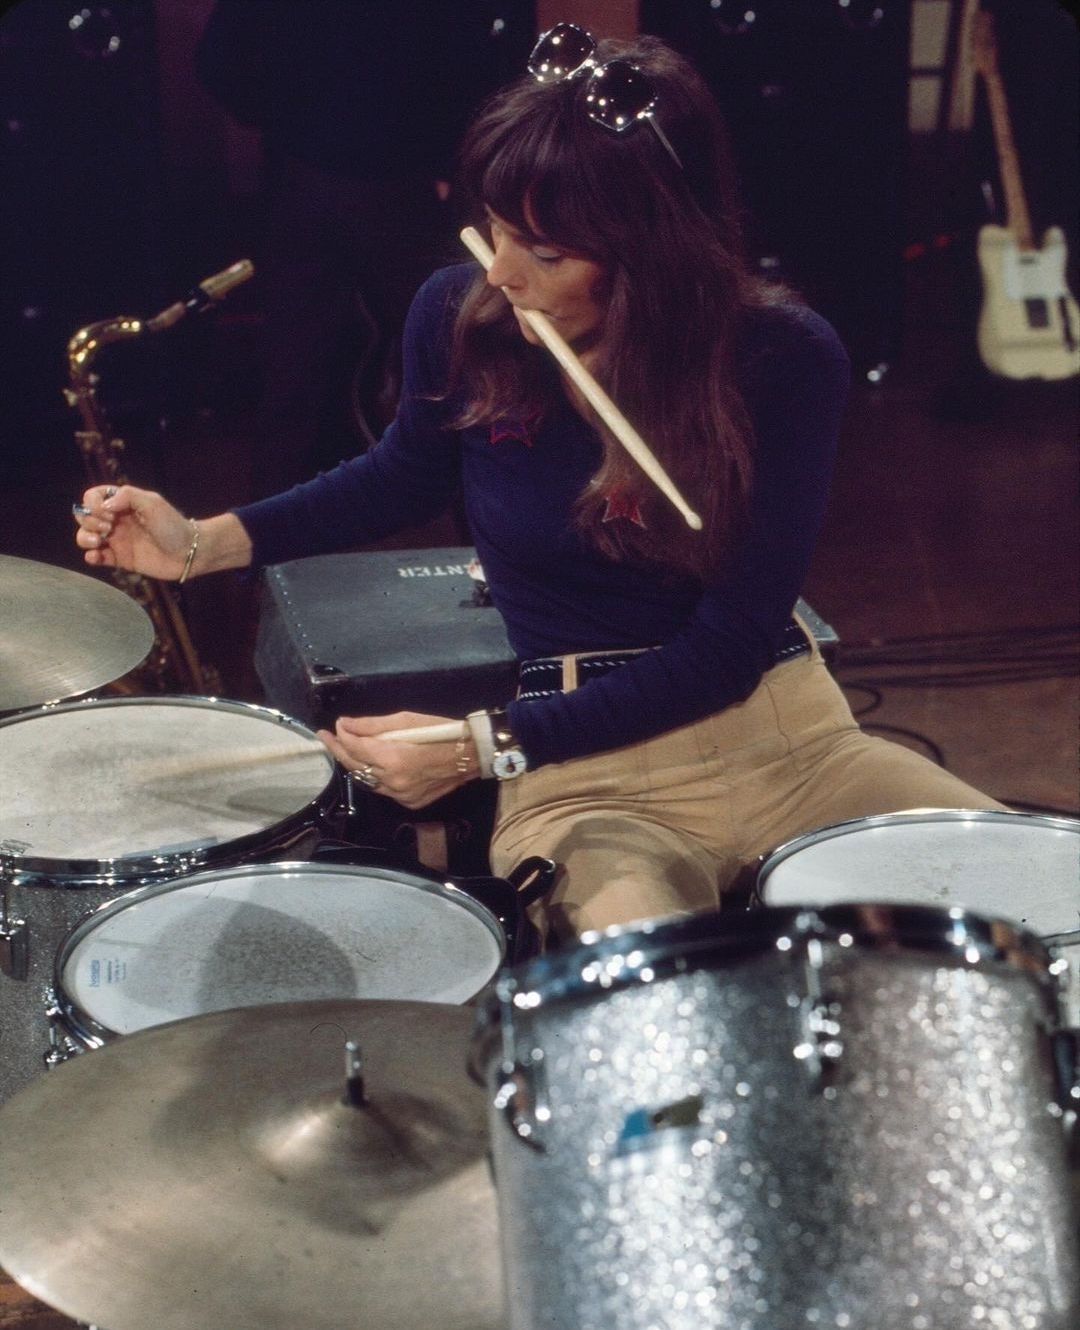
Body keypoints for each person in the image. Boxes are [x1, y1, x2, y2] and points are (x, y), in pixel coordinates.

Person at [75, 24, 1004, 949]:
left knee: (1030, 906)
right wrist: (199, 543)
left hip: (790, 734)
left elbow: (730, 646)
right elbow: (402, 473)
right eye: (498, 229)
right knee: (652, 989)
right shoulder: (459, 316)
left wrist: (483, 744)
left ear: (653, 252)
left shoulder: (782, 356)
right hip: (585, 774)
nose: (504, 272)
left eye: (548, 254)